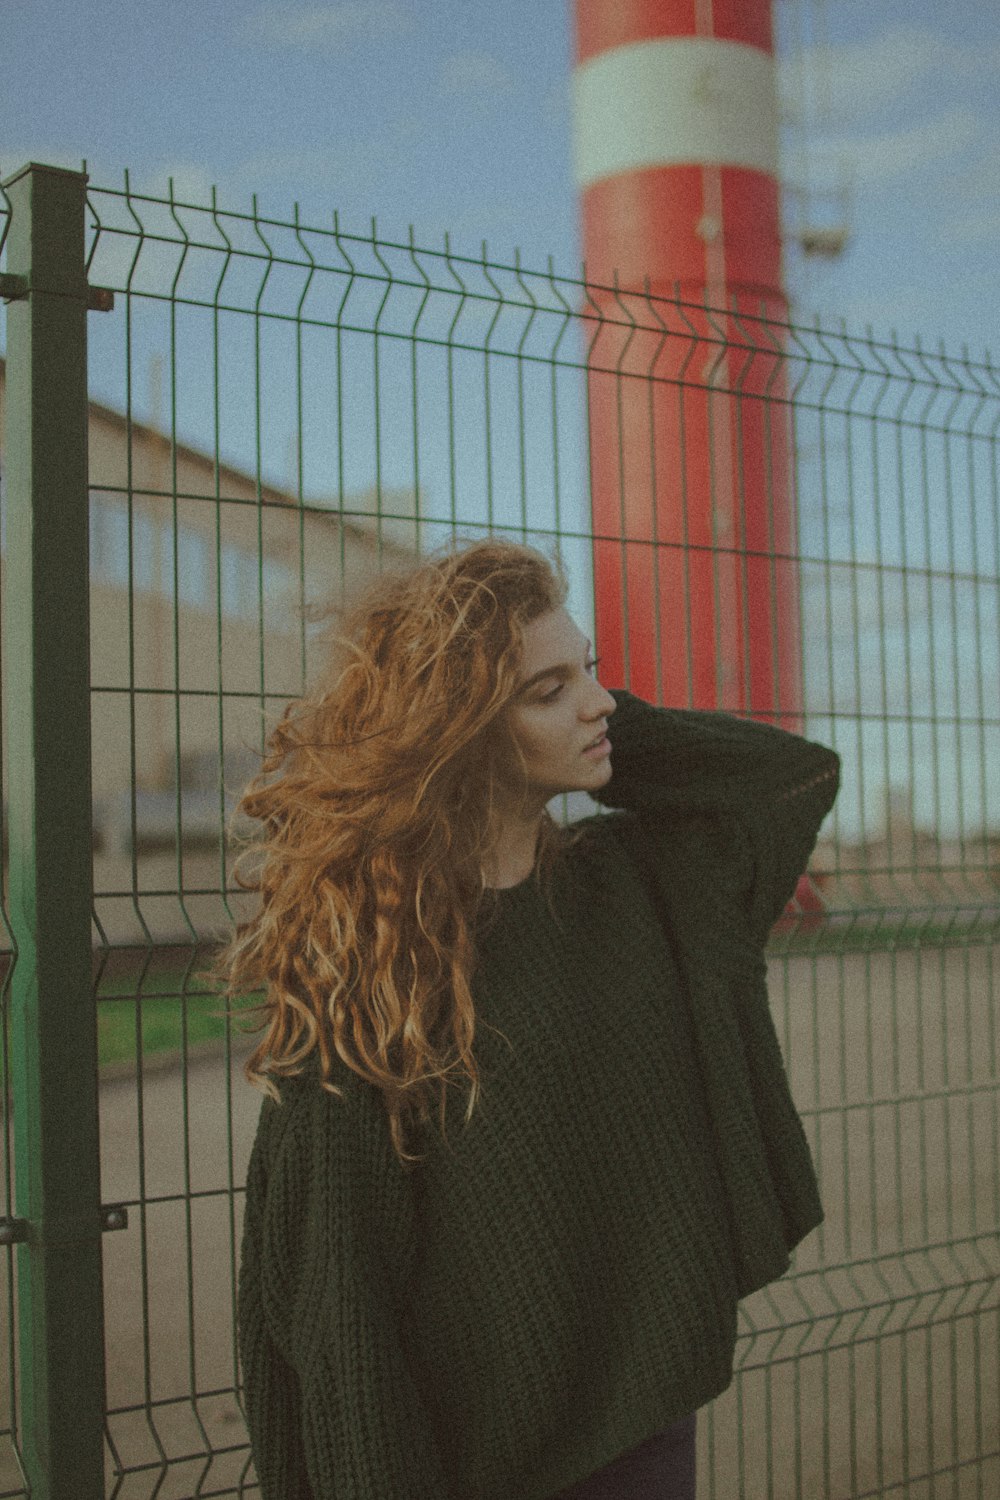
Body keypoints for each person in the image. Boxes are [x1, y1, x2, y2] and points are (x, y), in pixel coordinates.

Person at [211, 536, 841, 1500]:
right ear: (457, 730)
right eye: (546, 691)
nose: (598, 701)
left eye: (591, 670)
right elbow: (339, 1303)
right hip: (472, 1461)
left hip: (641, 1418)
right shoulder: (376, 961)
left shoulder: (638, 882)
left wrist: (590, 717)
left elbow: (785, 780)